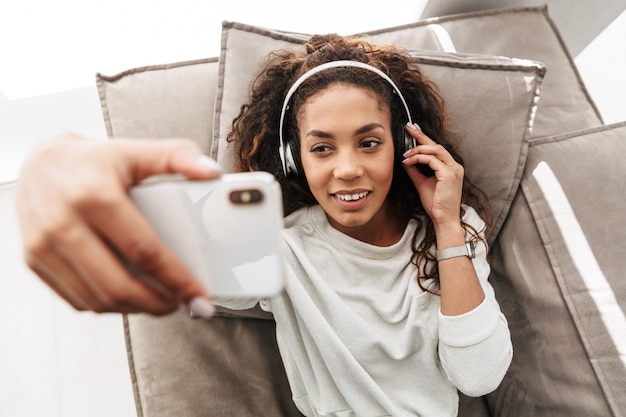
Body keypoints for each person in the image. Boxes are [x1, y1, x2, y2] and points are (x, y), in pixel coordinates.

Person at [16, 34, 512, 416]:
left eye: (368, 142)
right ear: (295, 161)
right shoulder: (281, 247)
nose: (347, 169)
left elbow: (478, 377)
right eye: (322, 148)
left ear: (403, 147)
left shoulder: (455, 228)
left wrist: (446, 225)